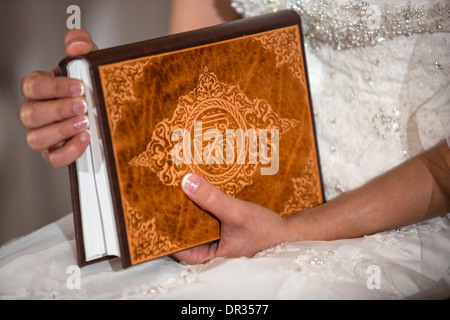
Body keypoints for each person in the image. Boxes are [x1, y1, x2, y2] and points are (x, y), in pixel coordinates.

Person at [18, 0, 450, 266]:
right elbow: (197, 62)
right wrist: (118, 104)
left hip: (409, 212)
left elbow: (442, 170)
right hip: (250, 189)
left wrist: (288, 233)